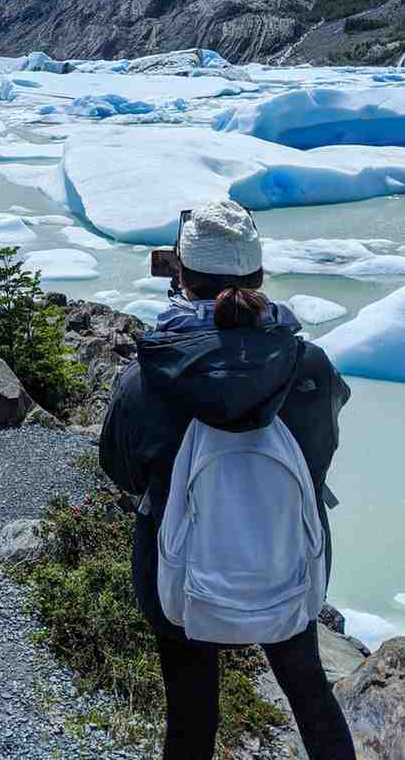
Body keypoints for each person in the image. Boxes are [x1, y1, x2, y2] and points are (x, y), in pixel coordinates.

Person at [99, 199, 356, 760]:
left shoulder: (151, 373)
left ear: (180, 274)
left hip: (177, 573)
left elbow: (119, 467)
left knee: (191, 714)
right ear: (259, 277)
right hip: (287, 562)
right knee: (309, 692)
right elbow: (320, 455)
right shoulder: (307, 366)